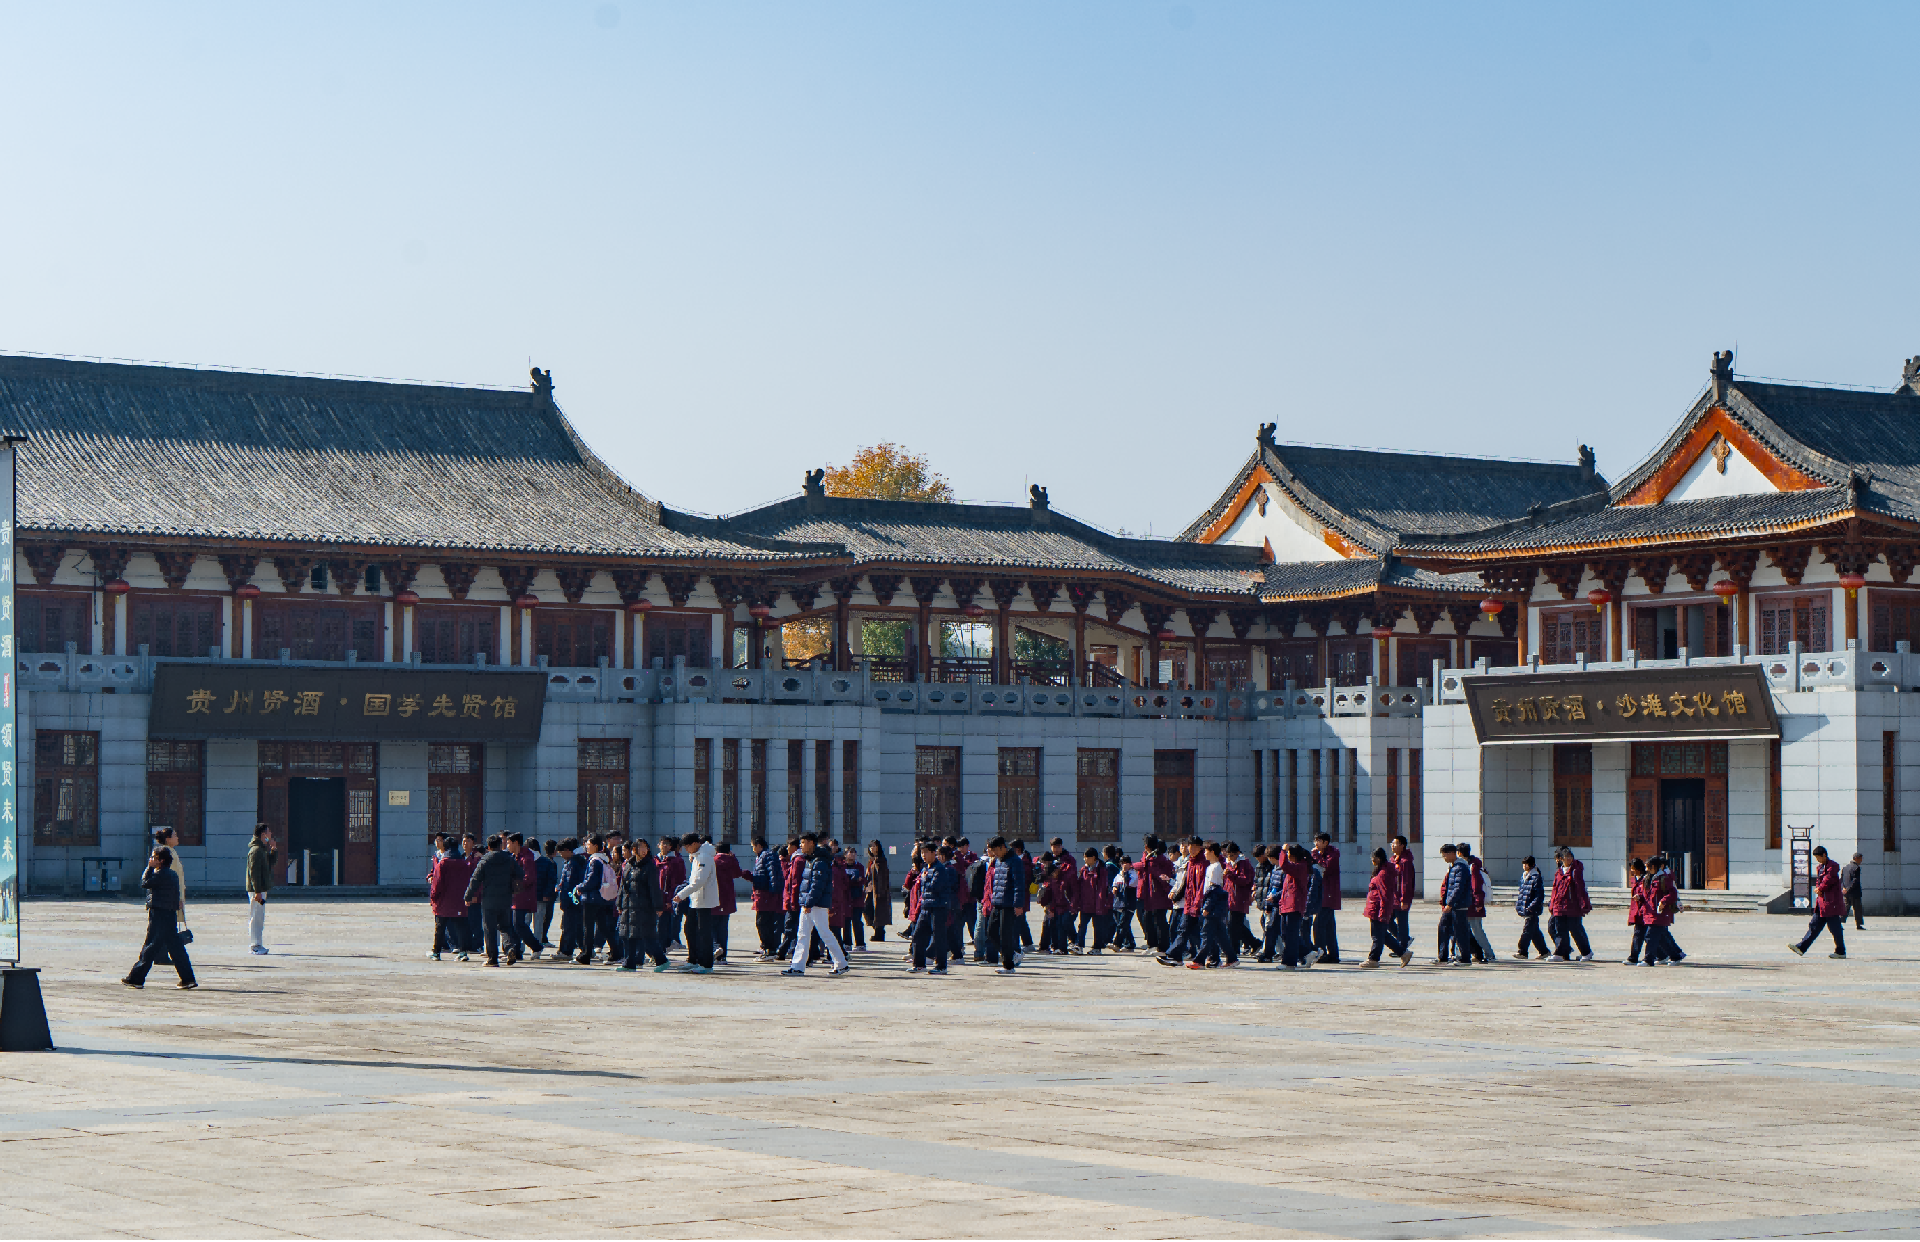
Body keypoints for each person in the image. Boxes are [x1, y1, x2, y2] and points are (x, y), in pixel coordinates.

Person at [124, 846, 196, 989]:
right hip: (169, 914)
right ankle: (188, 979)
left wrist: (149, 868)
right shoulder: (172, 874)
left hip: (159, 914)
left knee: (151, 945)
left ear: (161, 861)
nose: (151, 860)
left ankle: (136, 978)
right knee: (176, 948)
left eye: (154, 858)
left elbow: (144, 883)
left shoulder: (160, 874)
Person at [782, 833, 849, 976]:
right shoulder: (811, 859)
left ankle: (841, 963)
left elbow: (817, 885)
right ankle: (798, 966)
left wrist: (809, 903)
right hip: (809, 903)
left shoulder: (819, 861)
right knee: (803, 934)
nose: (801, 845)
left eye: (803, 842)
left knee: (824, 933)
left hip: (816, 904)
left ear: (811, 843)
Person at [464, 834, 520, 966]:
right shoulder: (509, 859)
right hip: (505, 898)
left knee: (489, 929)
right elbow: (520, 874)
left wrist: (468, 896)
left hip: (489, 899)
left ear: (488, 847)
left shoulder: (485, 860)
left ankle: (492, 959)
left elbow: (475, 880)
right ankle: (510, 947)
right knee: (505, 926)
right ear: (500, 845)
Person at [617, 837, 668, 971]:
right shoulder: (628, 864)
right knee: (629, 935)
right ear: (634, 849)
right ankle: (629, 963)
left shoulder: (650, 866)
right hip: (629, 905)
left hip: (645, 907)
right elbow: (622, 886)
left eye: (645, 847)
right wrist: (619, 903)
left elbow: (654, 888)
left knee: (647, 936)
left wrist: (658, 906)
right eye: (640, 847)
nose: (643, 850)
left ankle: (662, 960)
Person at [1790, 846, 1848, 958]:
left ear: (1824, 855)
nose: (1818, 860)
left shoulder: (1833, 866)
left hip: (1831, 904)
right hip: (1822, 904)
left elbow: (1828, 879)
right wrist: (1818, 888)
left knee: (1835, 929)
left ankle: (1840, 951)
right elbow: (1819, 880)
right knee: (1814, 926)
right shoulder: (1820, 867)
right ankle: (1801, 947)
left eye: (1818, 857)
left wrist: (1820, 888)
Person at [673, 832, 719, 974]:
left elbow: (698, 881)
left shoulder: (704, 856)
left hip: (703, 900)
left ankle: (706, 964)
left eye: (687, 847)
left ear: (694, 844)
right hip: (695, 899)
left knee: (703, 933)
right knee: (690, 929)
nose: (686, 850)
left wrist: (681, 895)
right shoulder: (698, 855)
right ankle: (693, 959)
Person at [908, 844, 957, 973]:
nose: (923, 855)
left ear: (933, 853)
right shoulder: (926, 867)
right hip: (926, 907)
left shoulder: (940, 869)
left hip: (939, 907)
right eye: (922, 853)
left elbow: (935, 886)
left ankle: (941, 966)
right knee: (918, 935)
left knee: (938, 937)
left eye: (925, 852)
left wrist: (924, 879)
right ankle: (919, 964)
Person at [1361, 847, 1413, 967]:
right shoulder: (1382, 871)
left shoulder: (1384, 873)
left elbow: (1385, 895)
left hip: (1378, 908)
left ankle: (1373, 959)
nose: (1372, 861)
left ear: (1378, 859)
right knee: (1383, 934)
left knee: (1377, 936)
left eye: (1373, 859)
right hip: (1376, 907)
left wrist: (1383, 913)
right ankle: (1403, 953)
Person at [574, 835, 619, 965]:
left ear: (595, 845)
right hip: (601, 898)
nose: (586, 847)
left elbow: (592, 881)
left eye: (588, 844)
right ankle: (616, 952)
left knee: (588, 927)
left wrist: (580, 887)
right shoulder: (604, 859)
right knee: (603, 927)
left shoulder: (595, 860)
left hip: (591, 898)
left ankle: (586, 955)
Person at [1186, 842, 1230, 970]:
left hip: (1213, 906)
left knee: (1206, 934)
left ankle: (1199, 961)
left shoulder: (1215, 867)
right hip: (1212, 905)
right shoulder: (1211, 866)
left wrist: (1207, 907)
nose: (1204, 853)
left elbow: (1214, 890)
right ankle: (1232, 958)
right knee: (1220, 935)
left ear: (1212, 852)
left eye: (1206, 851)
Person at [429, 834, 473, 961]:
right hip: (460, 900)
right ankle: (463, 952)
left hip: (444, 901)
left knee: (440, 928)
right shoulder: (463, 863)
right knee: (461, 927)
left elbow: (437, 883)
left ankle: (436, 953)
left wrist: (433, 898)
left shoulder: (443, 863)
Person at [983, 837, 1024, 974]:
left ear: (1002, 847)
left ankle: (1008, 966)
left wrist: (1018, 904)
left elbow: (1019, 884)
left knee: (1005, 934)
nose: (994, 853)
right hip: (997, 902)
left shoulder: (1015, 861)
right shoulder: (999, 861)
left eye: (995, 850)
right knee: (991, 932)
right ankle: (1011, 954)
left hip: (1009, 904)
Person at [1548, 847, 1594, 961]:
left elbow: (1580, 888)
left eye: (1570, 856)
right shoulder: (1558, 872)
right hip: (1559, 905)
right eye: (1566, 856)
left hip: (1573, 906)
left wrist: (1583, 903)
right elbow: (1555, 889)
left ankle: (1586, 952)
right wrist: (1552, 904)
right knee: (1560, 930)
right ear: (1561, 859)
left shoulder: (1575, 871)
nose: (1569, 858)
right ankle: (1559, 953)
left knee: (1576, 930)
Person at [1133, 838, 1174, 953]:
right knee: (1149, 919)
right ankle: (1153, 945)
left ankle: (1162, 947)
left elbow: (1161, 877)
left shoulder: (1153, 861)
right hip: (1152, 895)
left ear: (1146, 846)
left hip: (1157, 895)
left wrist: (1168, 890)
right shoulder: (1151, 859)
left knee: (1159, 921)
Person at [506, 834, 543, 960]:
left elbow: (529, 878)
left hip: (522, 896)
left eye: (508, 843)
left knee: (518, 924)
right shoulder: (514, 857)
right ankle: (516, 952)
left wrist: (513, 886)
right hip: (515, 896)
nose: (507, 846)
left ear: (516, 843)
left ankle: (536, 946)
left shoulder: (527, 857)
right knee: (513, 924)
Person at [1435, 844, 1472, 965]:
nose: (1444, 858)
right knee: (1443, 928)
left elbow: (1458, 888)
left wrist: (1450, 903)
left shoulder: (1461, 867)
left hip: (1459, 905)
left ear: (1451, 853)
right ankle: (1442, 957)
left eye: (1445, 855)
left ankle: (1465, 958)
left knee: (1460, 931)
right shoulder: (1453, 867)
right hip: (1451, 905)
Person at [1310, 833, 1343, 964]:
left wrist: (1315, 855)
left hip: (1329, 894)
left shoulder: (1333, 853)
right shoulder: (1320, 853)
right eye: (1315, 840)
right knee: (1329, 926)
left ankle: (1321, 953)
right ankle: (1333, 954)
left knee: (1318, 924)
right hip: (1322, 893)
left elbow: (1325, 867)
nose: (1316, 843)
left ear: (1325, 842)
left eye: (1318, 841)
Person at [245, 823, 275, 955]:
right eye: (268, 832)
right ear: (263, 834)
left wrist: (273, 849)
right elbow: (254, 873)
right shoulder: (256, 850)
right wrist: (257, 891)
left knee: (259, 917)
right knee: (256, 917)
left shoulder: (262, 849)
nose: (270, 835)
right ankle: (255, 945)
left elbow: (269, 864)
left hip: (261, 888)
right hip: (257, 890)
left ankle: (258, 944)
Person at [710, 842, 743, 962]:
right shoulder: (731, 861)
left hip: (714, 898)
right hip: (727, 899)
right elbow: (738, 873)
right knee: (723, 928)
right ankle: (722, 956)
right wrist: (733, 858)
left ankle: (715, 948)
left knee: (711, 926)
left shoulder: (712, 861)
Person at [554, 838, 586, 961]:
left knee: (568, 927)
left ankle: (566, 951)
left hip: (571, 901)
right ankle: (586, 949)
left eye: (561, 852)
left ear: (568, 850)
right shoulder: (573, 862)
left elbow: (571, 883)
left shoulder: (574, 863)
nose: (561, 855)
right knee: (576, 927)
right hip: (573, 900)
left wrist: (565, 896)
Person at [1514, 855, 1549, 959]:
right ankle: (1544, 951)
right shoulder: (1524, 876)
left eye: (1526, 864)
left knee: (1527, 931)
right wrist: (1519, 906)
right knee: (1534, 932)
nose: (1524, 866)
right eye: (1523, 864)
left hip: (1532, 910)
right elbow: (1522, 893)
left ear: (1532, 865)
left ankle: (1522, 951)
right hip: (1526, 909)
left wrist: (1530, 908)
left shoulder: (1536, 877)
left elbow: (1539, 896)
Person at [1388, 835, 1416, 947]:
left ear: (1402, 845)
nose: (1392, 846)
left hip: (1401, 898)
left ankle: (1402, 946)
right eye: (1392, 843)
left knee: (1402, 922)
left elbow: (1405, 882)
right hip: (1393, 897)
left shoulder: (1405, 862)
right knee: (1388, 920)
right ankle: (1403, 941)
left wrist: (1404, 899)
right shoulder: (1394, 860)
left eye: (1395, 843)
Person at [1623, 857, 1651, 965]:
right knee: (1643, 935)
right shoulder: (1634, 879)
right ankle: (1664, 955)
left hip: (1645, 911)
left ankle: (1633, 958)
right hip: (1637, 911)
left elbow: (1648, 893)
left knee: (1642, 935)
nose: (1632, 870)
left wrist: (1640, 897)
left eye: (1634, 868)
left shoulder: (1646, 879)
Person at [864, 840, 892, 945]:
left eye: (874, 846)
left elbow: (883, 877)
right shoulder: (872, 860)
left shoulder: (881, 860)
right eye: (871, 846)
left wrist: (881, 891)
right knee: (867, 910)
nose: (872, 848)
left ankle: (879, 933)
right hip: (871, 890)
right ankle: (877, 930)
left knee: (879, 912)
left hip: (879, 891)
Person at [534, 839, 560, 950]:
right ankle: (542, 939)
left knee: (544, 918)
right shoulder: (550, 863)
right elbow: (551, 880)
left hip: (545, 894)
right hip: (547, 895)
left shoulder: (545, 860)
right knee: (546, 917)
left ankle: (543, 938)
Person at [1842, 852, 1865, 930]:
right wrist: (1849, 889)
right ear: (1856, 858)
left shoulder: (1845, 867)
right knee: (1857, 909)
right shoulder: (1856, 868)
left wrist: (1844, 888)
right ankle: (1858, 925)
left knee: (1845, 908)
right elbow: (1855, 880)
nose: (1861, 860)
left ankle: (1839, 922)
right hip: (1855, 892)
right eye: (1860, 858)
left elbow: (1841, 879)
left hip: (1846, 892)